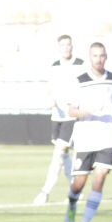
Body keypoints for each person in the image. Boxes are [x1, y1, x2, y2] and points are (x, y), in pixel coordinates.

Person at [63, 42, 112, 222]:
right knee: (79, 184)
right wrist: (88, 111)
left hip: (107, 136)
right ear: (90, 58)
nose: (99, 59)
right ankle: (72, 204)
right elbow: (71, 110)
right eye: (95, 56)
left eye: (102, 56)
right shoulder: (79, 80)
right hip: (86, 137)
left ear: (106, 57)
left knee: (100, 178)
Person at [34, 34, 84, 205]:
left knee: (59, 154)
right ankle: (75, 187)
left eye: (68, 44)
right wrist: (49, 99)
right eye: (63, 45)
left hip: (71, 115)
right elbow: (50, 88)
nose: (66, 48)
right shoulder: (54, 66)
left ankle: (44, 192)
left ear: (72, 46)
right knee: (63, 155)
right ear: (58, 47)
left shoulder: (80, 65)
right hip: (57, 115)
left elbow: (85, 87)